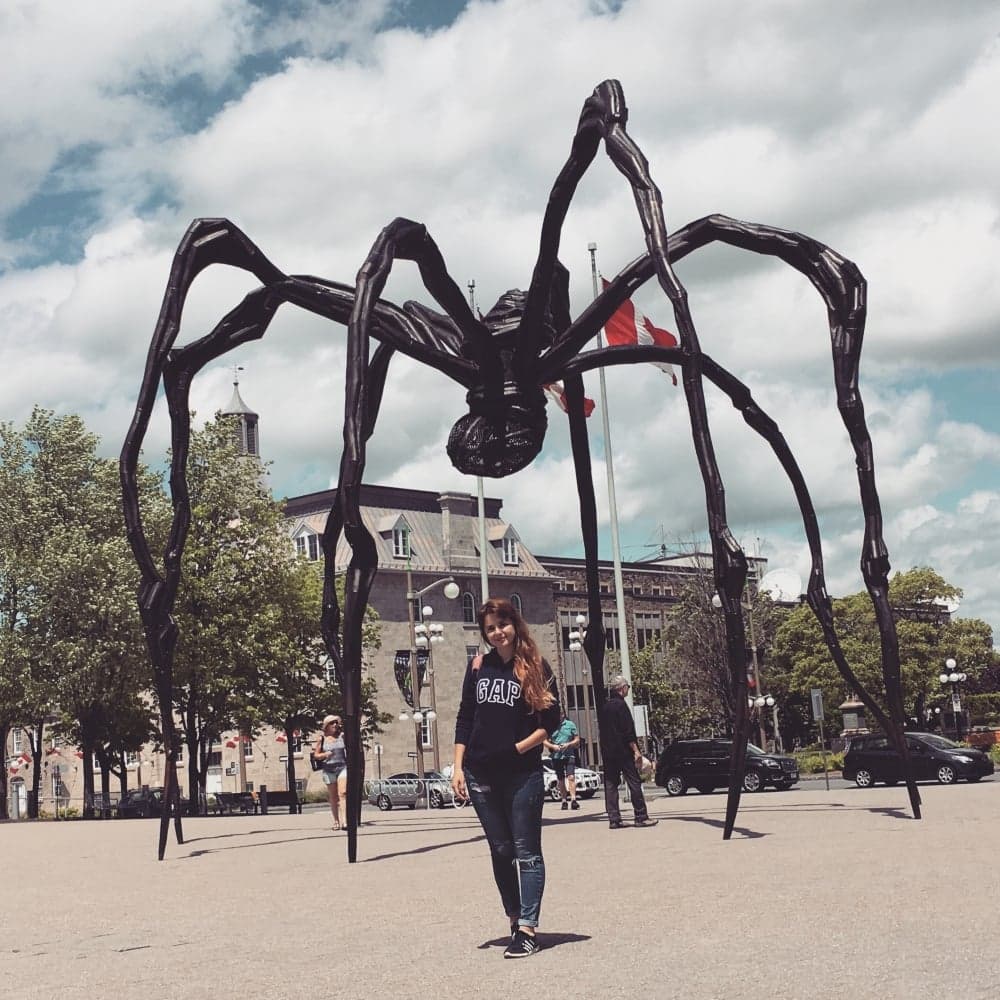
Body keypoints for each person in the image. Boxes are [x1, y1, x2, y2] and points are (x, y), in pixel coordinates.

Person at [452, 598, 560, 959]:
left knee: (527, 852)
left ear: (515, 624)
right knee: (501, 851)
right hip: (480, 773)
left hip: (521, 773)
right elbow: (465, 718)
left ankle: (528, 929)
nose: (497, 632)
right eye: (490, 628)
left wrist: (517, 749)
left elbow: (550, 725)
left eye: (502, 624)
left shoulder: (534, 667)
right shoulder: (478, 667)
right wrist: (457, 766)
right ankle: (514, 919)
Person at [598, 675, 658, 829]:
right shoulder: (621, 706)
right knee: (634, 782)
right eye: (628, 687)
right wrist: (636, 751)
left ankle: (614, 819)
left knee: (611, 784)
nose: (628, 690)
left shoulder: (605, 707)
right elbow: (628, 731)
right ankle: (641, 816)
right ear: (622, 688)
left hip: (608, 752)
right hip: (623, 751)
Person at [314, 714, 347, 830]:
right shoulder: (322, 739)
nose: (335, 725)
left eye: (336, 723)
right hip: (328, 770)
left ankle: (345, 821)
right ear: (327, 726)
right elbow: (316, 755)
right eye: (332, 723)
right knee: (334, 797)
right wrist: (324, 754)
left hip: (342, 767)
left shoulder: (342, 736)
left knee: (342, 793)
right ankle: (336, 821)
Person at [544, 714, 582, 810]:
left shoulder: (570, 724)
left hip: (569, 754)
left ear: (563, 715)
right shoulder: (551, 725)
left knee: (571, 776)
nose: (558, 716)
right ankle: (564, 800)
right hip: (556, 756)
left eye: (560, 714)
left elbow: (577, 739)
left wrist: (569, 744)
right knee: (560, 778)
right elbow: (544, 740)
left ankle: (573, 800)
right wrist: (552, 747)